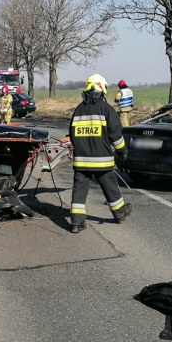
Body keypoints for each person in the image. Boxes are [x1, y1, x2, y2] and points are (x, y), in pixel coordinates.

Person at [68, 73, 132, 233]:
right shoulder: (107, 109)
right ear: (102, 89)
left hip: (81, 161)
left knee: (79, 191)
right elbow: (116, 135)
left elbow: (72, 134)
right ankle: (120, 213)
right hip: (102, 161)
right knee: (110, 187)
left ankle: (76, 223)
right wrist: (122, 151)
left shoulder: (78, 110)